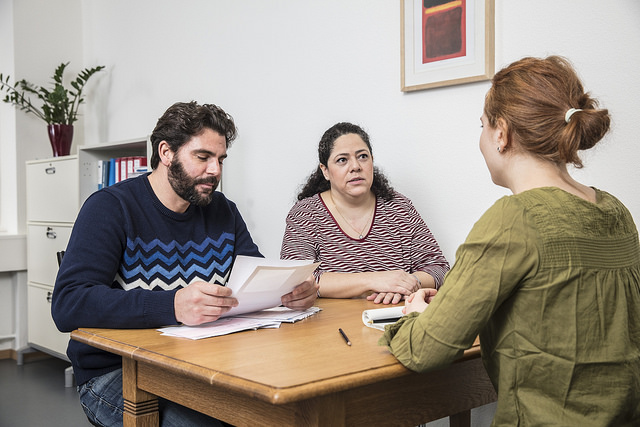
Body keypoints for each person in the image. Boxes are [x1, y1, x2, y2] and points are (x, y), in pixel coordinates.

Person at [380, 56, 640, 426]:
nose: (483, 137)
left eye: (483, 126)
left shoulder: (514, 218)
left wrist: (417, 318)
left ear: (501, 133)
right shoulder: (616, 211)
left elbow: (425, 350)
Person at [52, 101, 318, 427]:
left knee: (284, 414)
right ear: (166, 152)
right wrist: (174, 304)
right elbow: (68, 304)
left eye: (220, 159)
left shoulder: (223, 210)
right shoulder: (110, 208)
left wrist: (288, 291)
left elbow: (253, 275)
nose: (215, 170)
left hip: (203, 362)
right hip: (114, 372)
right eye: (203, 157)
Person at [280, 122, 449, 304]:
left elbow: (438, 266)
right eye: (342, 160)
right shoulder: (306, 214)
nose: (355, 166)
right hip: (330, 324)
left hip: (395, 316)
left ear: (372, 161)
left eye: (362, 157)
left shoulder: (400, 207)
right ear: (325, 171)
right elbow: (296, 280)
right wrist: (375, 280)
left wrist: (407, 284)